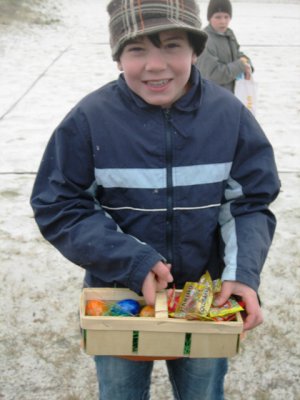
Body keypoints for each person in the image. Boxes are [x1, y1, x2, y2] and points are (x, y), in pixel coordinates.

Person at [30, 0, 280, 399]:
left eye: (172, 46)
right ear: (118, 58)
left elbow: (249, 203)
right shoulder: (90, 119)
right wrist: (133, 262)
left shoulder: (230, 115)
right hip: (120, 297)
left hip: (208, 297)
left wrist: (242, 272)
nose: (156, 65)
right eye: (137, 49)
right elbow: (59, 204)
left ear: (195, 50)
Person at [196, 0, 253, 92]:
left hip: (231, 95)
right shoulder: (205, 40)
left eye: (226, 17)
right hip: (212, 97)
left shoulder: (229, 34)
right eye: (218, 17)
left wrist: (247, 64)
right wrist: (241, 65)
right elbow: (212, 75)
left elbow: (237, 54)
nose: (223, 21)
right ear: (209, 18)